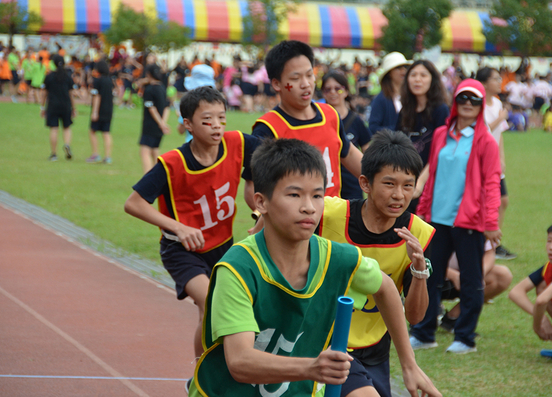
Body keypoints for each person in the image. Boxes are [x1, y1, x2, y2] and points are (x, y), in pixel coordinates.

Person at [187, 138, 441, 397]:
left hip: (310, 382)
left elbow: (387, 288)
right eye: (294, 195)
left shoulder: (338, 257)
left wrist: (409, 365)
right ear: (261, 203)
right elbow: (240, 363)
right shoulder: (237, 268)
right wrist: (312, 367)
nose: (309, 207)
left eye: (317, 195)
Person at [124, 86, 259, 362]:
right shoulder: (172, 163)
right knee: (214, 303)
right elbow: (133, 203)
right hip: (182, 250)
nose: (217, 126)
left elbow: (274, 162)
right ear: (188, 124)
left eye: (222, 118)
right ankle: (201, 373)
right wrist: (178, 227)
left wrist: (261, 209)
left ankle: (207, 376)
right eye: (207, 120)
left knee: (208, 312)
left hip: (223, 248)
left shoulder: (238, 143)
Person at [317, 130, 435, 397]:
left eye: (408, 185)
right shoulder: (330, 214)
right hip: (322, 343)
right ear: (365, 183)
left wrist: (419, 272)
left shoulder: (418, 232)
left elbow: (415, 317)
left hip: (375, 351)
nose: (399, 195)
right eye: (389, 184)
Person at [409, 79, 502, 354]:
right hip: (437, 218)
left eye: (474, 100)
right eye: (463, 99)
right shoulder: (441, 134)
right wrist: (423, 210)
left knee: (472, 281)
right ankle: (424, 333)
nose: (468, 105)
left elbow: (492, 183)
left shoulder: (485, 140)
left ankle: (465, 337)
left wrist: (491, 222)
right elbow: (433, 174)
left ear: (482, 104)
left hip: (469, 221)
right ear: (455, 102)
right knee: (428, 275)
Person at [250, 40, 363, 201]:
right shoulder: (267, 128)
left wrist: (380, 182)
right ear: (276, 84)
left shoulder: (330, 115)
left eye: (309, 75)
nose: (306, 84)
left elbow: (349, 153)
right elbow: (252, 186)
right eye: (295, 78)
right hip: (291, 223)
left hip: (333, 221)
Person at [508, 221, 552, 359]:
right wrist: (541, 317)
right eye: (549, 241)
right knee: (543, 286)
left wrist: (537, 326)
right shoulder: (550, 266)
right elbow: (515, 292)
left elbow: (542, 300)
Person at [396, 60, 449, 212]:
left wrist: (420, 183)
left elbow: (440, 152)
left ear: (432, 80)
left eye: (423, 75)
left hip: (429, 183)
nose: (417, 79)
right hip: (405, 181)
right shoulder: (405, 111)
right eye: (413, 75)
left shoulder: (440, 110)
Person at [476, 67, 517, 261]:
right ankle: (489, 243)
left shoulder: (497, 102)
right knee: (492, 201)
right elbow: (482, 131)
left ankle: (494, 242)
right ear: (484, 83)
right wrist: (501, 118)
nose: (500, 81)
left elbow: (498, 134)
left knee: (504, 200)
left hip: (494, 160)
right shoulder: (478, 103)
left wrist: (502, 158)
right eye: (495, 78)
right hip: (480, 159)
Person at [438, 240, 513, 333]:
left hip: (464, 277)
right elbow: (423, 258)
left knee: (502, 275)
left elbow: (489, 253)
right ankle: (430, 310)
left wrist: (478, 275)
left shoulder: (474, 226)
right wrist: (453, 275)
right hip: (431, 277)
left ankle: (453, 318)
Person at [321, 71, 372, 200]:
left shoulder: (356, 121)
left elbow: (368, 152)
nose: (333, 92)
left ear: (346, 91)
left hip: (352, 187)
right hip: (325, 187)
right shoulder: (319, 121)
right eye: (328, 89)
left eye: (337, 89)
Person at [41, 55, 76, 161]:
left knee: (54, 129)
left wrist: (42, 107)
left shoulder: (49, 76)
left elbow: (44, 94)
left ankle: (54, 154)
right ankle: (67, 144)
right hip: (66, 105)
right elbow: (71, 94)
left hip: (53, 105)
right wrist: (74, 108)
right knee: (66, 127)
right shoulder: (68, 76)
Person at [368, 52, 410, 135]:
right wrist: (398, 130)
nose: (403, 71)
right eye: (398, 67)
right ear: (389, 73)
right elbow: (373, 128)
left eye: (405, 67)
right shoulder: (380, 99)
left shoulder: (412, 96)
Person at [138, 64, 169, 174]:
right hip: (159, 125)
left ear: (148, 74)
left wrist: (160, 123)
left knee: (145, 151)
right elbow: (166, 107)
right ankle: (159, 178)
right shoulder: (162, 88)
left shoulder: (149, 89)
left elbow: (151, 108)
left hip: (151, 125)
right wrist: (163, 123)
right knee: (155, 151)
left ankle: (148, 180)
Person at [86, 60, 114, 164]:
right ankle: (107, 157)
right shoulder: (110, 81)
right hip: (109, 110)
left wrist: (94, 112)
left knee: (92, 131)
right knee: (106, 133)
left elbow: (97, 96)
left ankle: (95, 154)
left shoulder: (97, 81)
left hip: (100, 110)